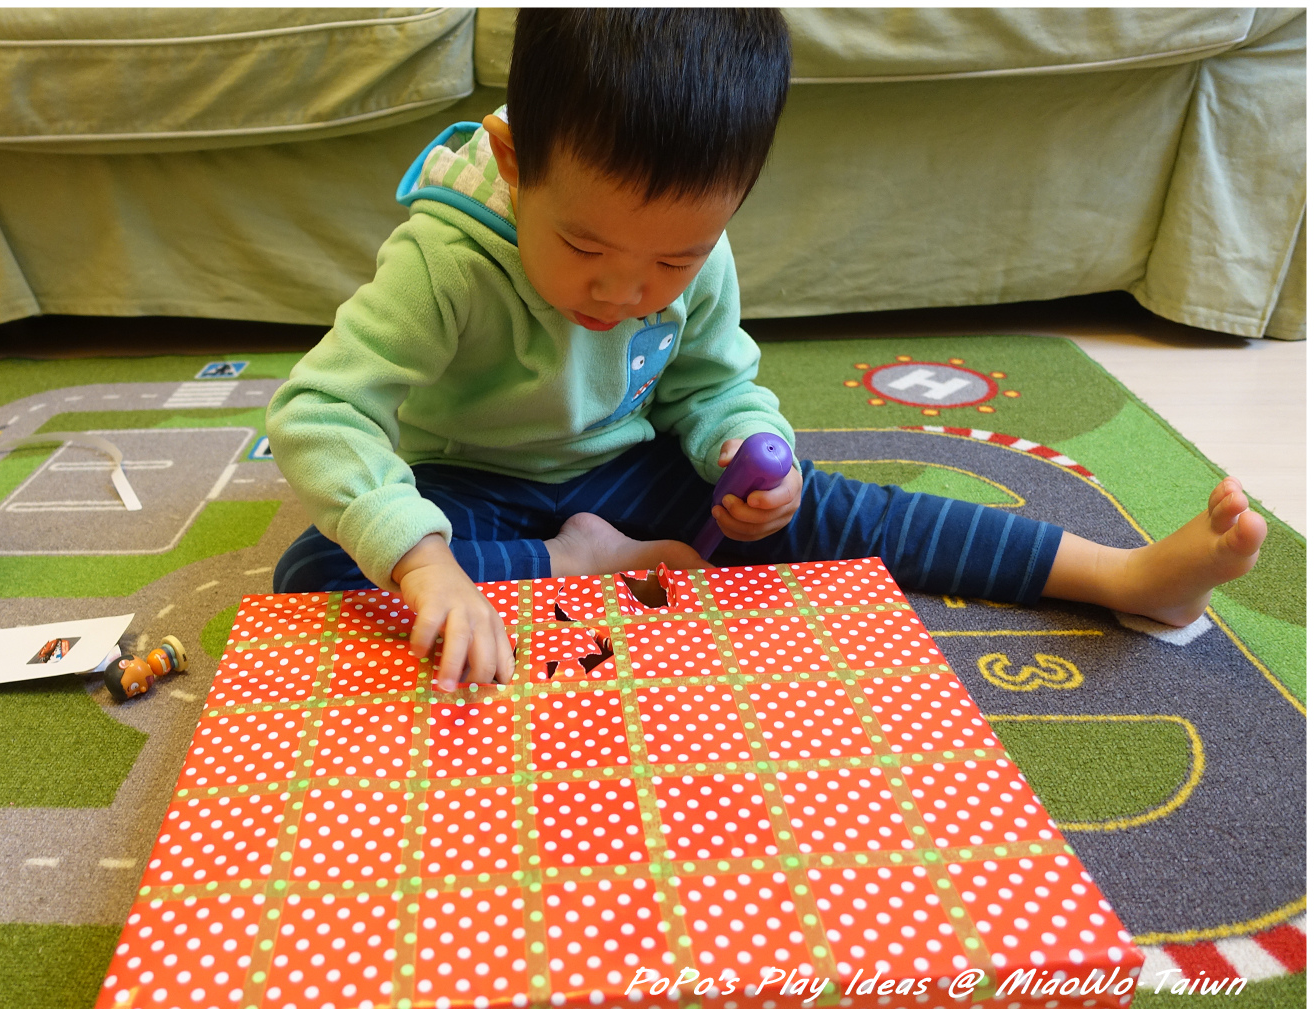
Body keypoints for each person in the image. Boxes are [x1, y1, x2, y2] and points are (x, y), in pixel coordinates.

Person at [267, 9, 1264, 688]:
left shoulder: (697, 253)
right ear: (515, 162)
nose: (624, 293)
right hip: (465, 480)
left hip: (621, 466)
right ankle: (572, 560)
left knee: (831, 507)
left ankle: (1118, 576)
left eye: (673, 259)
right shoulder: (445, 259)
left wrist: (745, 449)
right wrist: (429, 562)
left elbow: (711, 383)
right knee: (321, 572)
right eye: (584, 247)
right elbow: (321, 411)